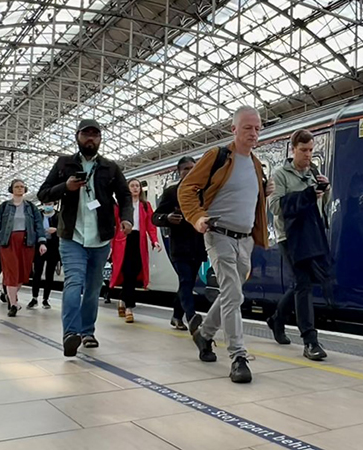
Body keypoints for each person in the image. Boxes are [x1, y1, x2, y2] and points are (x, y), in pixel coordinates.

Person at [178, 106, 272, 383]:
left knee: (231, 293)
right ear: (234, 129)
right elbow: (187, 188)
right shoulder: (217, 156)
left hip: (244, 241)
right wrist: (196, 218)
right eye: (247, 128)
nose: (253, 133)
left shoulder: (256, 164)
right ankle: (238, 357)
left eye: (257, 128)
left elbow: (249, 200)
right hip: (218, 234)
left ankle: (204, 334)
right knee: (234, 294)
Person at [38, 118, 133, 357]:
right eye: (86, 134)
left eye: (95, 135)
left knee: (92, 288)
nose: (90, 138)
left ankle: (88, 331)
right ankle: (70, 333)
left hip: (101, 238)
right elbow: (43, 193)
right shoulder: (63, 164)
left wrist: (126, 218)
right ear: (77, 137)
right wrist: (65, 187)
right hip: (72, 236)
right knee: (74, 282)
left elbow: (124, 196)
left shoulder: (110, 167)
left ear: (100, 139)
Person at [266, 130, 334, 360]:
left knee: (302, 283)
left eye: (311, 150)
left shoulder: (314, 173)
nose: (308, 155)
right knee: (303, 283)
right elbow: (275, 207)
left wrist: (325, 190)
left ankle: (277, 319)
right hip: (289, 237)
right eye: (303, 150)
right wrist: (306, 194)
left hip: (311, 236)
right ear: (292, 149)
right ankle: (310, 341)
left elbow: (322, 206)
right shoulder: (280, 175)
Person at [153, 156, 206, 332]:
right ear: (179, 172)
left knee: (188, 283)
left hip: (197, 246)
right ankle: (192, 318)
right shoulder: (171, 193)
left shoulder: (203, 193)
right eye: (186, 169)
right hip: (179, 247)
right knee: (185, 280)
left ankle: (176, 316)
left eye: (193, 168)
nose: (190, 172)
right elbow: (155, 217)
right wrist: (167, 218)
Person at [0, 180, 47, 317]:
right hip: (8, 242)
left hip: (27, 242)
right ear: (11, 189)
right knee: (11, 271)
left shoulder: (31, 207)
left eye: (22, 187)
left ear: (25, 189)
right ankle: (13, 304)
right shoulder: (4, 207)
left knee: (23, 274)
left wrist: (42, 242)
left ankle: (9, 295)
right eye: (16, 187)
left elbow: (38, 225)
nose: (19, 189)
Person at [110, 178, 162, 323]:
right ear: (127, 188)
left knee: (133, 272)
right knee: (128, 273)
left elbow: (151, 225)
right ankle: (129, 308)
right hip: (123, 241)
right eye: (132, 186)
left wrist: (155, 240)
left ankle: (122, 299)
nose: (135, 188)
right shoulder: (121, 206)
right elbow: (114, 225)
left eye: (137, 186)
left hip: (138, 241)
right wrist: (110, 245)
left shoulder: (145, 206)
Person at [29, 202, 60, 309]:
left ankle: (45, 299)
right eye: (46, 203)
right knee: (37, 272)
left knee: (49, 273)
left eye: (50, 203)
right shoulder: (37, 215)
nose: (48, 205)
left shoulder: (58, 216)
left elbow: (65, 229)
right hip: (39, 246)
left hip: (53, 248)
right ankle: (34, 297)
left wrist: (56, 230)